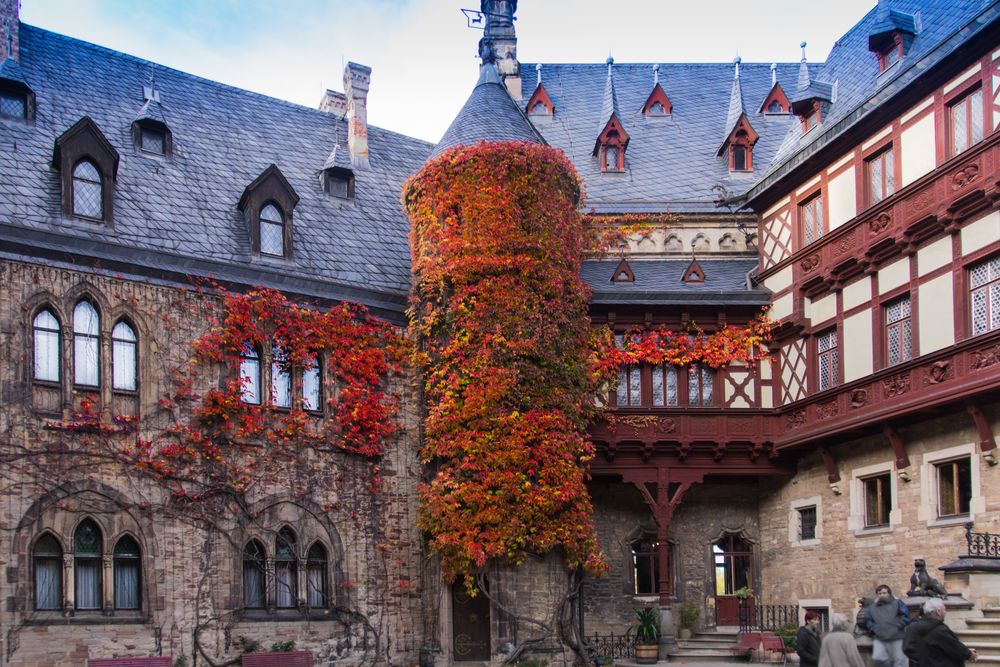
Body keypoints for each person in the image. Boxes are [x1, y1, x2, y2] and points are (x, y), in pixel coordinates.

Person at [904, 598, 977, 667]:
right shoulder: (939, 629)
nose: (945, 612)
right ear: (938, 611)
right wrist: (969, 654)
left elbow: (907, 648)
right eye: (944, 609)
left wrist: (923, 660)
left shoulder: (912, 628)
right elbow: (954, 646)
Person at [865, 584, 911, 667]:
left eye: (884, 593)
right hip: (880, 636)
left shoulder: (897, 603)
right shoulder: (872, 607)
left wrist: (899, 625)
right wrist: (874, 628)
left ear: (889, 593)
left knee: (899, 661)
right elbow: (868, 620)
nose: (882, 595)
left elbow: (906, 616)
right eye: (879, 593)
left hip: (896, 635)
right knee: (877, 657)